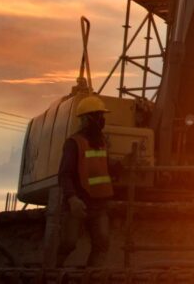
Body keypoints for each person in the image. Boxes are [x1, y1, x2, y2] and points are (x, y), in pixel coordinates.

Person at [57, 95, 114, 267]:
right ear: (87, 119)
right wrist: (72, 198)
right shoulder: (74, 143)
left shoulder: (101, 142)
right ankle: (52, 273)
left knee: (102, 243)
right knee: (69, 243)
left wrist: (124, 165)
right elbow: (64, 175)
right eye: (98, 116)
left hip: (99, 205)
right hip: (79, 203)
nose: (101, 120)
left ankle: (90, 277)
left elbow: (105, 167)